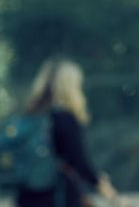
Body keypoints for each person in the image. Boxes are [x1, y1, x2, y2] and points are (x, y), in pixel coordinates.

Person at [15, 58, 119, 207]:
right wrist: (99, 182)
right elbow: (78, 159)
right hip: (57, 195)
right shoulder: (63, 117)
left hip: (27, 196)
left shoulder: (30, 114)